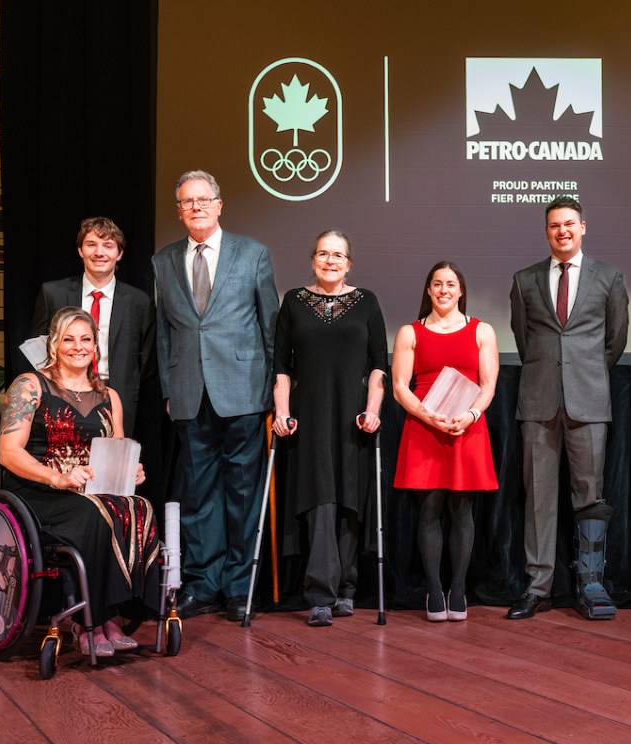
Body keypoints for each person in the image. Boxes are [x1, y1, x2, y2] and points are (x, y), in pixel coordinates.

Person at [152, 169, 280, 621]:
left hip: (243, 392)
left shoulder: (253, 253)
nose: (196, 207)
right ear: (179, 210)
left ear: (219, 204)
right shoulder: (162, 261)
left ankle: (239, 587)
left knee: (243, 494)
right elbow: (166, 334)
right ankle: (202, 584)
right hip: (189, 394)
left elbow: (271, 328)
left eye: (204, 199)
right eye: (187, 202)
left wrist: (269, 389)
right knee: (198, 494)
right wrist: (170, 390)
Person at [0, 307, 159, 658]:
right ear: (54, 345)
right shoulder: (30, 386)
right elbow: (9, 453)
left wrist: (133, 470)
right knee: (92, 514)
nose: (78, 346)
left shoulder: (109, 397)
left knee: (140, 507)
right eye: (68, 339)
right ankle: (88, 621)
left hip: (92, 492)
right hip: (39, 490)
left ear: (95, 347)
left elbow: (118, 451)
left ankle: (111, 615)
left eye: (85, 339)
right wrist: (58, 477)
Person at [508, 196, 629, 620]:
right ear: (547, 232)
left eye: (569, 224)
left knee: (589, 497)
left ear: (583, 227)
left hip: (589, 401)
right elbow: (525, 342)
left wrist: (585, 373)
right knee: (538, 500)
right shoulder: (524, 280)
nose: (562, 231)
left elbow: (613, 342)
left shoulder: (609, 277)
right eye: (554, 225)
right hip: (538, 402)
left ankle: (590, 584)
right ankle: (537, 588)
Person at [272, 230, 388, 628]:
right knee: (321, 497)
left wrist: (373, 410)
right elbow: (281, 367)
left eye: (338, 255)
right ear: (313, 259)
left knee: (350, 500)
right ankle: (321, 593)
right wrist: (282, 412)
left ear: (349, 263)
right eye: (323, 253)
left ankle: (348, 588)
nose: (330, 261)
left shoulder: (366, 301)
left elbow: (378, 365)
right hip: (310, 413)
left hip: (353, 414)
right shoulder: (293, 301)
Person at [393, 262, 498, 622]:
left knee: (462, 510)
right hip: (425, 427)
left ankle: (458, 589)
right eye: (437, 284)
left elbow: (488, 386)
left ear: (461, 290)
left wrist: (468, 416)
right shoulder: (410, 332)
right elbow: (399, 387)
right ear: (428, 290)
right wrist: (428, 417)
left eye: (450, 284)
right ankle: (434, 591)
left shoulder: (482, 330)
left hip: (465, 427)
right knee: (429, 510)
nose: (443, 290)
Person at [31, 217, 155, 439]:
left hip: (118, 397)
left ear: (119, 254)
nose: (100, 252)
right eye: (91, 244)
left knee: (112, 467)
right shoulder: (53, 293)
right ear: (80, 250)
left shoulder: (139, 301)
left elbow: (146, 359)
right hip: (61, 395)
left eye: (108, 246)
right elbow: (37, 348)